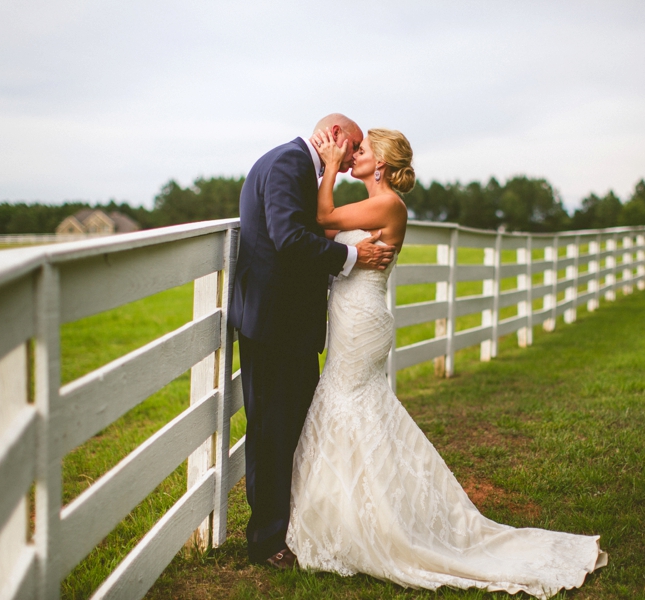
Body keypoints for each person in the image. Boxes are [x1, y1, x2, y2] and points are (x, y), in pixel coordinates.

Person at [285, 128, 608, 599]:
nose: (353, 154)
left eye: (361, 149)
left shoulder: (389, 205)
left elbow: (322, 214)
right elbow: (326, 229)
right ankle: (350, 515)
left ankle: (373, 523)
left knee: (348, 409)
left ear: (381, 162)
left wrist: (329, 165)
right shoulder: (369, 204)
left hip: (361, 324)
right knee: (354, 414)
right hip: (352, 320)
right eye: (351, 150)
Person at [228, 114, 395, 568]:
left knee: (296, 429)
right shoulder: (288, 164)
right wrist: (353, 255)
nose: (348, 163)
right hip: (273, 325)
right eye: (352, 146)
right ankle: (266, 542)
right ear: (335, 136)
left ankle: (295, 528)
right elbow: (288, 238)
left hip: (292, 325)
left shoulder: (303, 168)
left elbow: (314, 224)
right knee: (272, 432)